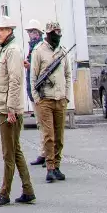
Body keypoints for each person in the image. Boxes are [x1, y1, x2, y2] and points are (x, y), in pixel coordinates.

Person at [0, 15, 36, 207]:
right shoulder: (3, 50)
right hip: (4, 106)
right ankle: (28, 190)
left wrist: (11, 109)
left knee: (8, 153)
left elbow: (15, 82)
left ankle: (5, 193)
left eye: (1, 30)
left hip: (10, 109)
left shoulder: (13, 51)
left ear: (9, 31)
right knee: (15, 150)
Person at [30, 21, 72, 183]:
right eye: (55, 32)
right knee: (49, 136)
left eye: (59, 32)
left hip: (60, 100)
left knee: (59, 136)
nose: (58, 35)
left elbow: (68, 75)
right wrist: (37, 99)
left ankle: (57, 165)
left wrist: (66, 95)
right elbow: (33, 77)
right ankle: (50, 167)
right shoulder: (39, 51)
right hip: (45, 99)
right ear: (48, 34)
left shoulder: (63, 51)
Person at [23, 19, 47, 167]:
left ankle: (48, 154)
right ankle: (44, 153)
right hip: (33, 89)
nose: (30, 34)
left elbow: (42, 68)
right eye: (29, 32)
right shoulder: (32, 47)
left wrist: (30, 66)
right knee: (40, 123)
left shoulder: (41, 47)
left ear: (38, 33)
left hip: (40, 91)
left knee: (45, 124)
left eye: (32, 32)